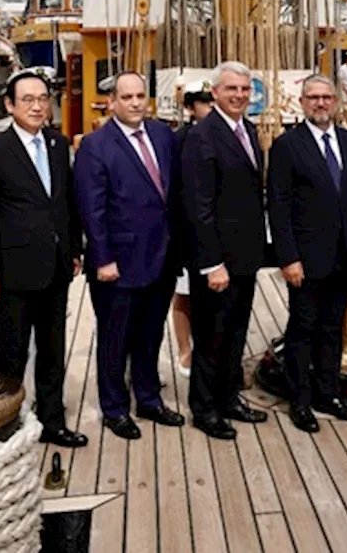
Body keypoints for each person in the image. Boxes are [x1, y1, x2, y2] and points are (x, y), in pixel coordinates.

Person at [0, 68, 87, 448]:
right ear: (9, 105)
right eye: (28, 100)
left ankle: (51, 420)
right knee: (12, 354)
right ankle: (2, 428)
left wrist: (74, 249)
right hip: (15, 271)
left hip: (55, 266)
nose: (38, 106)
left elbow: (66, 204)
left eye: (43, 99)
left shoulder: (57, 146)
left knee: (53, 351)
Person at [74, 72, 186, 440]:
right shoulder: (95, 146)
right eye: (127, 97)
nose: (136, 103)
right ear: (112, 102)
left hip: (161, 256)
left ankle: (149, 399)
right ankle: (115, 408)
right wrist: (103, 259)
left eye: (140, 96)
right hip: (117, 262)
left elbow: (173, 194)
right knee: (114, 338)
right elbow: (92, 209)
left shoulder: (163, 136)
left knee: (151, 334)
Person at [268, 75, 347, 432]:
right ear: (302, 102)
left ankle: (327, 394)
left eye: (326, 97)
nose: (321, 103)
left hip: (344, 256)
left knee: (331, 329)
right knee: (303, 328)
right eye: (313, 97)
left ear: (336, 101)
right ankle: (300, 400)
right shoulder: (287, 146)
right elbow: (278, 208)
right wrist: (288, 258)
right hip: (306, 258)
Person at [180, 61, 268, 440]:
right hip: (216, 259)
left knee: (235, 332)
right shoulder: (203, 136)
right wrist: (211, 261)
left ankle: (229, 397)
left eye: (245, 90)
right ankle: (205, 408)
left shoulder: (247, 130)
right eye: (231, 89)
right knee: (211, 335)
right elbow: (198, 205)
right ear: (214, 93)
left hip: (245, 254)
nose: (239, 96)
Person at [172, 81, 214, 376]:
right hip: (186, 231)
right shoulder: (180, 139)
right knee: (184, 295)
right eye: (204, 102)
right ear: (190, 107)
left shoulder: (227, 135)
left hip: (217, 232)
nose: (210, 107)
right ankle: (185, 350)